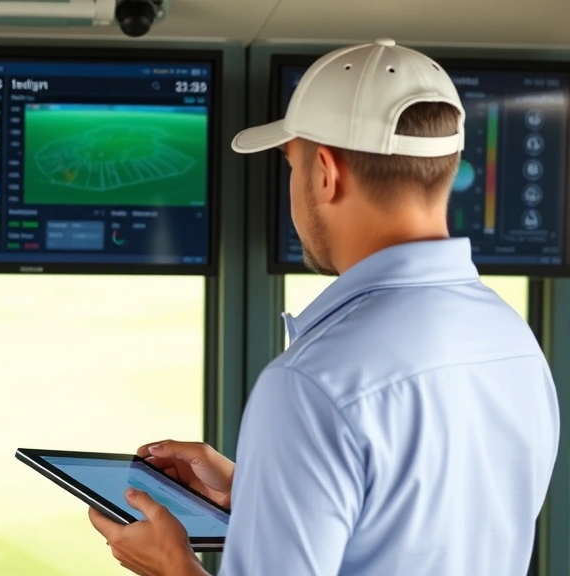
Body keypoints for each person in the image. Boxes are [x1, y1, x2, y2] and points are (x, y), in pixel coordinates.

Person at [87, 38, 560, 575]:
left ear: (326, 173)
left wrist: (173, 567)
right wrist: (266, 487)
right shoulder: (515, 343)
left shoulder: (313, 383)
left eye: (291, 164)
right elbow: (429, 524)